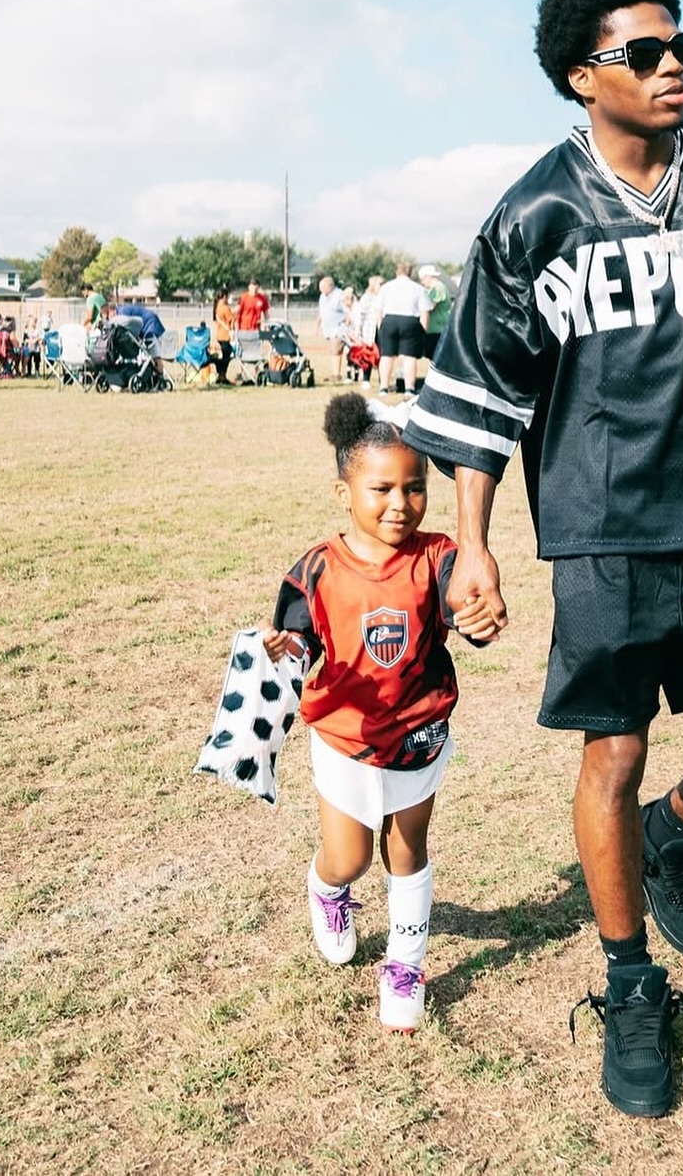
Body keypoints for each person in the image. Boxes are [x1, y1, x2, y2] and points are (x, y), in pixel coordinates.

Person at [404, 0, 683, 1118]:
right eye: (642, 53)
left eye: (681, 46)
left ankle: (675, 835)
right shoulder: (535, 214)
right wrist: (475, 545)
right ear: (579, 76)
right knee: (612, 751)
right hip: (605, 530)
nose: (672, 68)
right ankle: (629, 980)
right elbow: (485, 392)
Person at [261, 395, 494, 1032]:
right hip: (345, 736)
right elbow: (301, 641)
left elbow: (464, 609)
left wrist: (478, 618)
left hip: (419, 730)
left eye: (414, 488)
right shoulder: (317, 568)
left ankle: (405, 966)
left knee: (406, 848)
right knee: (351, 858)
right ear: (344, 493)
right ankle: (328, 890)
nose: (401, 503)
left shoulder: (439, 556)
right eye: (382, 489)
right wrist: (286, 648)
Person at [375, 260, 427, 396]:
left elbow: (378, 310)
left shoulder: (386, 287)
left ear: (396, 272)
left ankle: (383, 387)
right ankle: (409, 388)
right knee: (409, 357)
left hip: (389, 320)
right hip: (410, 321)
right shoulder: (418, 288)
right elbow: (424, 312)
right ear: (410, 273)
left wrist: (380, 327)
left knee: (387, 356)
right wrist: (423, 330)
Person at [316, 276, 349, 383]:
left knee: (336, 350)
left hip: (338, 328)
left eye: (323, 288)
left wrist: (347, 324)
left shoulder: (339, 295)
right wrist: (317, 325)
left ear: (330, 286)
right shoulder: (323, 296)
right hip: (328, 329)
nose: (321, 290)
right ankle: (335, 373)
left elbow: (348, 310)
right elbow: (321, 312)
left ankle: (336, 375)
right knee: (332, 351)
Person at [418, 265, 451, 362]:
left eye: (422, 279)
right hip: (436, 328)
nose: (422, 282)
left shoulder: (437, 289)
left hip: (436, 328)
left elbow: (430, 306)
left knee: (434, 356)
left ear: (427, 276)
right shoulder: (436, 288)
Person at [211, 287, 236, 385]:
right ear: (224, 296)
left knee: (220, 357)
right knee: (226, 357)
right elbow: (231, 319)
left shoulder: (216, 307)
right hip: (225, 335)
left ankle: (220, 375)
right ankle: (223, 376)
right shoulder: (225, 308)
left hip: (219, 335)